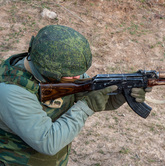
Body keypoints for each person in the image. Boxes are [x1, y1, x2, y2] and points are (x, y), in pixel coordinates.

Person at [0, 25, 151, 165]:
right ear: (49, 71)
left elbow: (92, 97)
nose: (79, 77)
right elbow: (48, 143)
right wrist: (86, 107)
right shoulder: (12, 92)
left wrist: (121, 94)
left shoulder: (61, 74)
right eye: (71, 75)